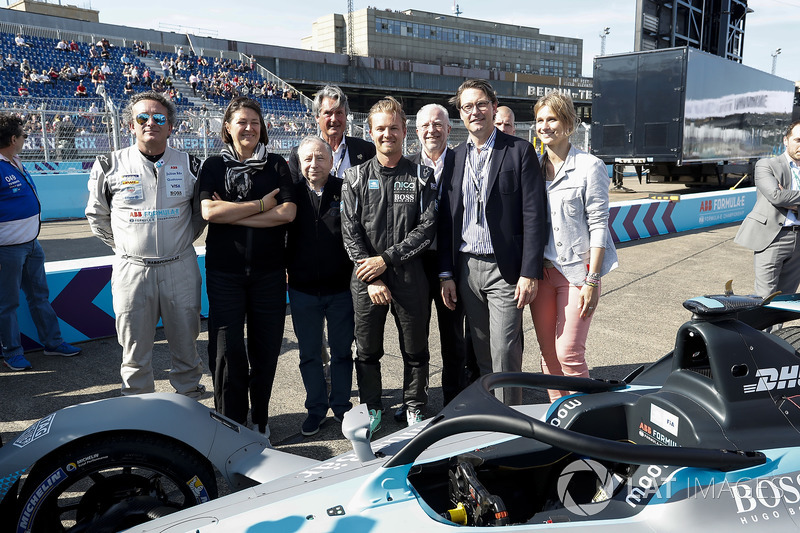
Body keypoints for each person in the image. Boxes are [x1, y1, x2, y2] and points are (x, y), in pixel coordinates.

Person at [85, 91, 207, 398]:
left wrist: (175, 244)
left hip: (179, 266)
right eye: (142, 118)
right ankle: (139, 414)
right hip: (132, 270)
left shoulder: (192, 165)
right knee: (134, 352)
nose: (150, 122)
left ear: (171, 127)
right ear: (130, 125)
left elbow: (198, 215)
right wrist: (128, 247)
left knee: (186, 345)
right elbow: (97, 216)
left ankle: (189, 404)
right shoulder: (108, 164)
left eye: (158, 117)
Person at [438, 79, 547, 405]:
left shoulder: (519, 150)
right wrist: (446, 273)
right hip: (467, 268)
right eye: (468, 106)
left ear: (493, 107)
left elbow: (534, 215)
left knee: (504, 348)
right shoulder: (454, 158)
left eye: (481, 104)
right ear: (460, 114)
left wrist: (530, 272)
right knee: (483, 350)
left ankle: (510, 422)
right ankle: (491, 417)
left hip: (506, 270)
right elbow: (447, 219)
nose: (475, 111)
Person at [198, 97, 296, 436]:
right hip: (225, 273)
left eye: (255, 122)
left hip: (269, 274)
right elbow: (209, 212)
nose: (250, 128)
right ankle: (230, 421)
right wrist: (258, 205)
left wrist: (237, 215)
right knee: (228, 350)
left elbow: (287, 213)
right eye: (242, 121)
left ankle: (261, 420)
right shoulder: (213, 166)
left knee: (265, 348)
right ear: (227, 126)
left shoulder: (277, 165)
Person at [341, 96, 437, 433]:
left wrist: (386, 260)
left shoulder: (423, 176)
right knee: (367, 351)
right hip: (368, 281)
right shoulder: (354, 178)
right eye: (380, 128)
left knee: (415, 350)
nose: (387, 134)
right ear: (369, 131)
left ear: (404, 130)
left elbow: (427, 229)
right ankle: (372, 408)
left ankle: (414, 407)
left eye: (393, 128)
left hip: (410, 278)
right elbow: (350, 232)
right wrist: (372, 275)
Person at [529, 92, 618, 402]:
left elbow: (599, 225)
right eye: (540, 120)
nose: (544, 126)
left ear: (568, 124)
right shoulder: (533, 169)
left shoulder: (589, 166)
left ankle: (588, 417)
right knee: (548, 354)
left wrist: (592, 279)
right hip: (541, 274)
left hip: (577, 275)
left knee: (569, 352)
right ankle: (559, 415)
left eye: (551, 119)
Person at [0, 114, 82, 371]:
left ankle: (53, 342)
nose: (26, 139)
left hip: (31, 245)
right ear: (13, 139)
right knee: (8, 303)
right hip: (7, 250)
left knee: (40, 297)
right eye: (24, 136)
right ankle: (12, 352)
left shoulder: (14, 161)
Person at [286, 136, 354, 436]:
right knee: (310, 354)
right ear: (300, 164)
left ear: (331, 160)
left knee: (341, 352)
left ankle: (341, 406)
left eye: (320, 157)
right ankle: (315, 408)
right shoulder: (291, 194)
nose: (314, 164)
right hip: (302, 290)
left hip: (340, 289)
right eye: (308, 159)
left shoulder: (346, 189)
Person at [405, 103, 469, 412]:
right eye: (425, 125)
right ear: (416, 131)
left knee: (453, 338)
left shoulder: (463, 162)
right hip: (416, 265)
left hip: (452, 266)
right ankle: (415, 399)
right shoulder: (406, 167)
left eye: (438, 124)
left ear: (448, 128)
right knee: (414, 337)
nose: (432, 129)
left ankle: (454, 400)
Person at [735, 121, 800, 310]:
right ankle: (761, 338)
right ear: (785, 141)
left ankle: (775, 338)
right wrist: (783, 198)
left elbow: (782, 197)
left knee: (785, 300)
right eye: (797, 140)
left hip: (799, 240)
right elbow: (776, 196)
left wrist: (791, 201)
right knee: (765, 298)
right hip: (772, 238)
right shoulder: (767, 165)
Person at [287, 85, 376, 183]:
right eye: (328, 113)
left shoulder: (366, 150)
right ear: (317, 117)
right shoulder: (299, 153)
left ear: (346, 116)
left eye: (339, 113)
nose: (334, 119)